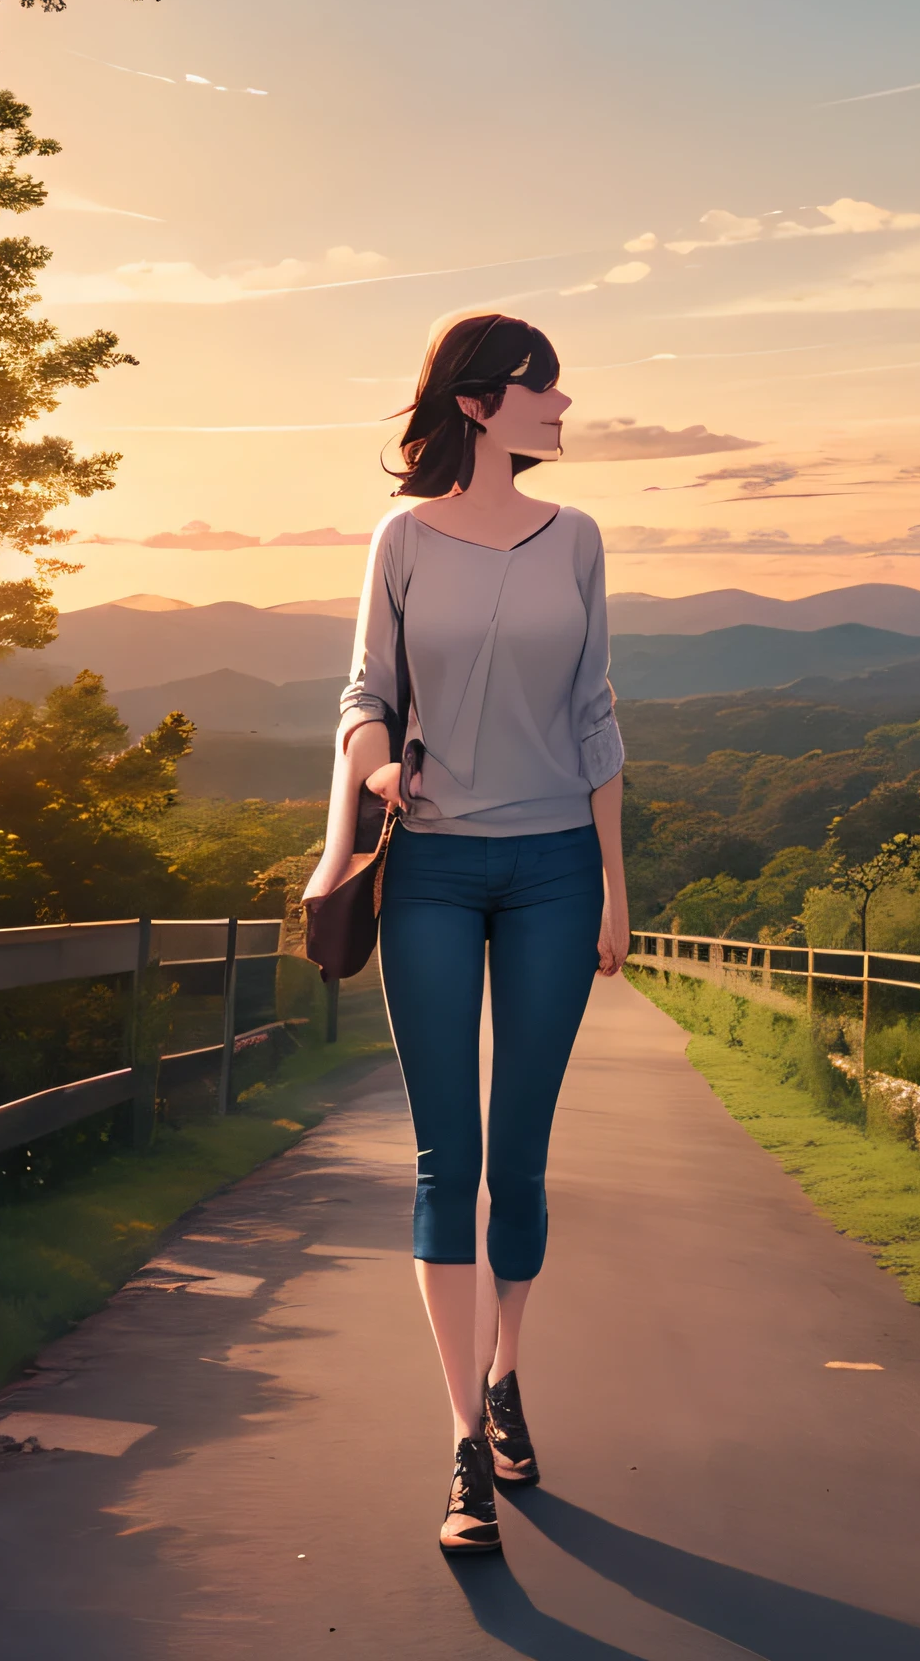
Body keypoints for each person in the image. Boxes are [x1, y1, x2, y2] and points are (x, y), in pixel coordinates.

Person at [301, 310, 629, 1554]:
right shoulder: (401, 538)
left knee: (519, 1157)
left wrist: (612, 881)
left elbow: (596, 715)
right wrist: (370, 792)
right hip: (431, 870)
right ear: (483, 403)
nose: (562, 408)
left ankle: (505, 1375)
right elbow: (363, 696)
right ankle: (459, 1441)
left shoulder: (578, 539)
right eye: (545, 389)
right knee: (446, 1157)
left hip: (551, 871)